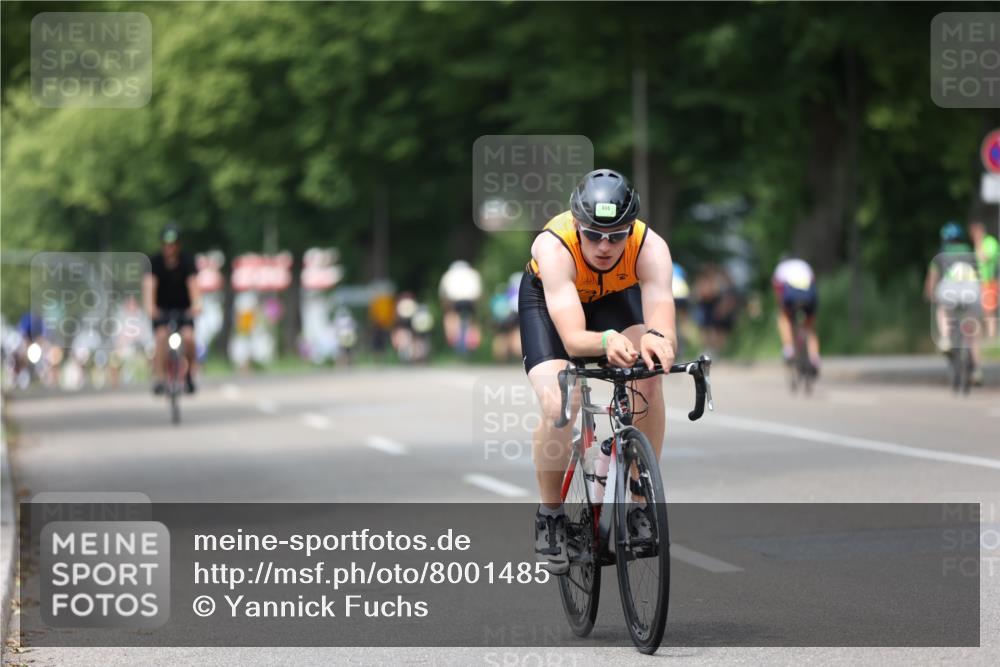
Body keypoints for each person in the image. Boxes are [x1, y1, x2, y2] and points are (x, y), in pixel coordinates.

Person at [519, 169, 676, 572]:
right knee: (562, 398)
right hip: (550, 307)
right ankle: (550, 515)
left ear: (631, 230)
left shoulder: (651, 247)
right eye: (593, 235)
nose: (604, 246)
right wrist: (606, 342)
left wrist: (659, 342)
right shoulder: (553, 247)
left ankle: (638, 499)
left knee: (649, 371)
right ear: (576, 225)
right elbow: (573, 339)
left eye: (616, 235)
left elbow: (661, 325)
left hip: (612, 299)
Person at [143, 223, 201, 394]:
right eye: (167, 244)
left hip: (184, 309)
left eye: (173, 244)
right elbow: (149, 287)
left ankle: (189, 373)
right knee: (161, 337)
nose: (170, 248)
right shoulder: (154, 262)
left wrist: (197, 304)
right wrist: (150, 308)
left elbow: (193, 286)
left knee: (189, 338)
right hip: (162, 309)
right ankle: (160, 378)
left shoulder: (187, 260)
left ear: (178, 245)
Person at [924, 222, 981, 383]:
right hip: (971, 290)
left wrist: (930, 293)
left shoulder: (941, 253)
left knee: (942, 309)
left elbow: (932, 277)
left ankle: (945, 338)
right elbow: (979, 275)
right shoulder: (971, 253)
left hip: (950, 290)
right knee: (973, 331)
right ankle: (976, 369)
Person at [771, 256, 820, 373]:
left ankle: (789, 349)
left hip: (791, 295)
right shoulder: (803, 264)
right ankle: (815, 358)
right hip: (809, 295)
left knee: (784, 318)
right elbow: (814, 282)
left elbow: (778, 291)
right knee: (809, 329)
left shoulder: (781, 268)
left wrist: (782, 308)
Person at [439, 259, 483, 356]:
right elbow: (479, 293)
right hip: (470, 301)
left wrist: (446, 307)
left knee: (450, 316)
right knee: (473, 320)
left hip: (455, 301)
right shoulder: (473, 273)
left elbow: (443, 294)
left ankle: (453, 337)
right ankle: (473, 339)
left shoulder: (448, 274)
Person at [968, 220, 998, 340]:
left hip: (990, 281)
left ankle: (992, 337)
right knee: (981, 312)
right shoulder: (980, 244)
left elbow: (983, 258)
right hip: (981, 282)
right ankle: (985, 338)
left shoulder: (990, 242)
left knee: (989, 311)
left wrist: (978, 242)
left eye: (975, 233)